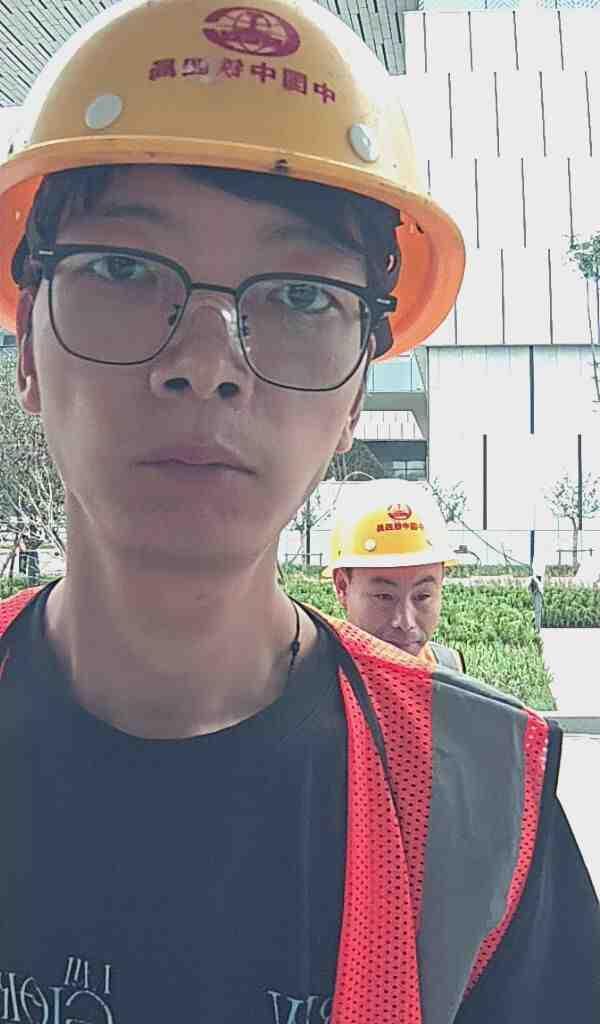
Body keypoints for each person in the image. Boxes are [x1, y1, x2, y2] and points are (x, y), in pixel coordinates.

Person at [0, 1, 597, 1021]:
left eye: (302, 296)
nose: (204, 364)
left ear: (357, 391)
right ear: (27, 352)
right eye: (122, 269)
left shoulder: (482, 807)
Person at [326, 479, 465, 670]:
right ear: (342, 587)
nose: (405, 623)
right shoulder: (316, 675)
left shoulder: (446, 669)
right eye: (384, 597)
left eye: (422, 596)